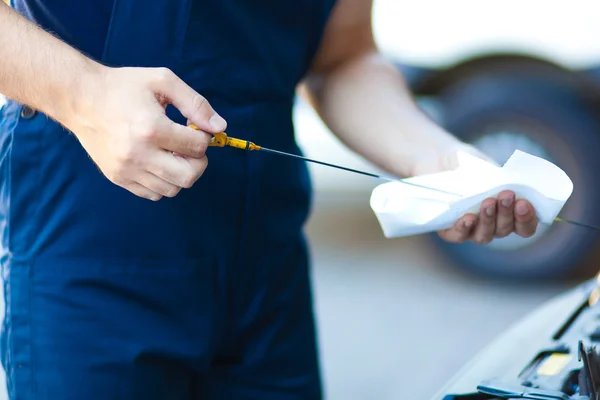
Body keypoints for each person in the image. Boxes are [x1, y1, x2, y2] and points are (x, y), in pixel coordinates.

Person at [0, 0, 539, 398]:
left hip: (264, 268)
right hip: (86, 248)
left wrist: (438, 161)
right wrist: (83, 94)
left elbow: (345, 58)